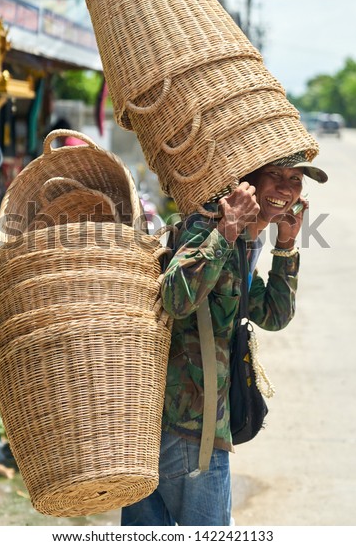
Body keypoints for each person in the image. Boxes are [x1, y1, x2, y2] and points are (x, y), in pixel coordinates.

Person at [121, 151, 327, 527]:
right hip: (188, 433)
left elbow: (273, 315)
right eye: (276, 176)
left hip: (180, 429)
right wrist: (226, 230)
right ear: (249, 181)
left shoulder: (247, 242)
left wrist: (286, 243)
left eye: (295, 181)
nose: (286, 188)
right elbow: (176, 298)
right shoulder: (208, 226)